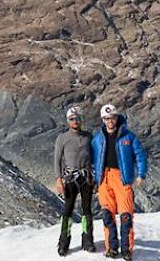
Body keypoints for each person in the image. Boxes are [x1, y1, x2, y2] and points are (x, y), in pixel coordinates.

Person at [92, 104, 147, 261]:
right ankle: (112, 248)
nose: (110, 121)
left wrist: (141, 174)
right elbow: (92, 160)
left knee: (125, 216)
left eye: (113, 117)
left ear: (117, 118)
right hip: (104, 179)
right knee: (107, 215)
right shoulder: (97, 139)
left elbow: (140, 155)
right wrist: (94, 177)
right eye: (107, 118)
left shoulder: (128, 137)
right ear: (103, 120)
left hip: (122, 178)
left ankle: (126, 249)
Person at [53, 105, 95, 256]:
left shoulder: (89, 136)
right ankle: (63, 243)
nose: (75, 121)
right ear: (68, 121)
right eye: (72, 119)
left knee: (87, 209)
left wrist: (94, 174)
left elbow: (94, 156)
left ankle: (88, 241)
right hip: (70, 178)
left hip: (86, 176)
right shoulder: (62, 138)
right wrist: (58, 180)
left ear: (81, 120)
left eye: (77, 119)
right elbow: (57, 160)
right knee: (68, 210)